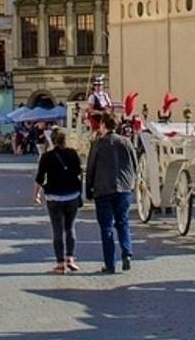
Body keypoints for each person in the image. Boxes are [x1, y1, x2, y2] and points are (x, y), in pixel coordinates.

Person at [85, 114, 137, 273]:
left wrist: (88, 190)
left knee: (106, 227)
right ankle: (126, 253)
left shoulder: (98, 144)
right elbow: (134, 164)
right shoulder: (126, 142)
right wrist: (131, 182)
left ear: (103, 125)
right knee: (123, 222)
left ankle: (110, 264)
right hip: (124, 189)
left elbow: (91, 168)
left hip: (103, 189)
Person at [34, 128, 83, 273]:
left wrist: (36, 195)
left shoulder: (46, 157)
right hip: (72, 196)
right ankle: (71, 258)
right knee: (70, 228)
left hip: (53, 197)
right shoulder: (73, 154)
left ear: (52, 140)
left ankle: (60, 263)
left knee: (57, 230)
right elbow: (78, 173)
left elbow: (40, 178)